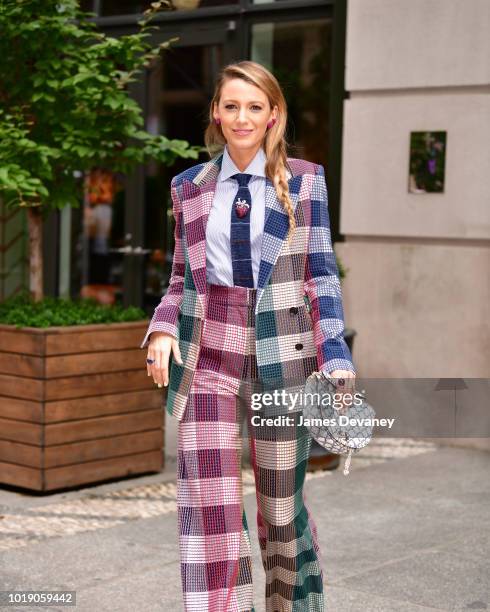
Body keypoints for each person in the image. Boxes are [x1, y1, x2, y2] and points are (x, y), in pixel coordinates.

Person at [141, 60, 356, 612]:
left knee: (280, 507)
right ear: (216, 111)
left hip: (282, 348)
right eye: (231, 106)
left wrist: (335, 354)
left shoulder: (305, 180)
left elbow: (320, 273)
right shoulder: (187, 187)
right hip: (209, 343)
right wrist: (163, 329)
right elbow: (181, 278)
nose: (242, 117)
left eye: (254, 107)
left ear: (273, 115)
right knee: (209, 499)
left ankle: (294, 604)